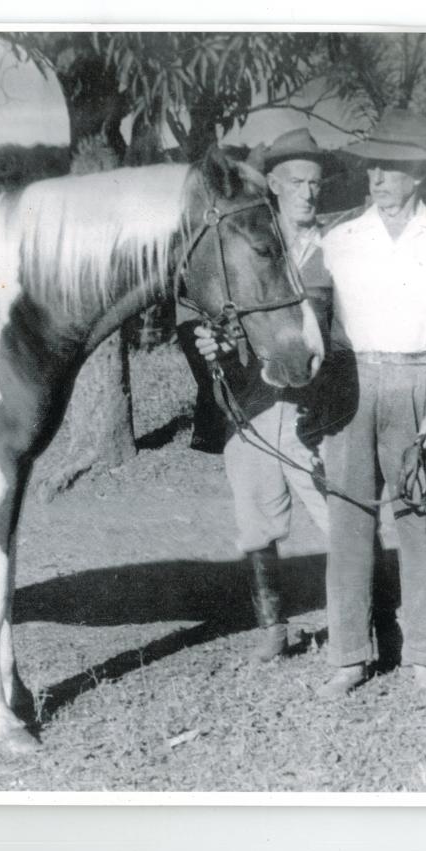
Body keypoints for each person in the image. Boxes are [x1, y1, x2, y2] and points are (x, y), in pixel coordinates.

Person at [319, 108, 426, 698]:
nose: (378, 177)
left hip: (422, 383)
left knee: (425, 521)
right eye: (373, 167)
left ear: (417, 175)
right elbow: (314, 326)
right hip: (351, 385)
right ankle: (348, 656)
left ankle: (424, 658)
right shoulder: (337, 239)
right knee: (347, 521)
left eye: (392, 168)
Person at [182, 128, 334, 662]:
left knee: (333, 510)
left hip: (310, 405)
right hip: (250, 403)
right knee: (255, 518)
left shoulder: (333, 246)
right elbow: (211, 315)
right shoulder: (247, 241)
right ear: (273, 185)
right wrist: (213, 342)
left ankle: (359, 617)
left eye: (316, 182)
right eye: (296, 181)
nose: (308, 193)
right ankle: (274, 628)